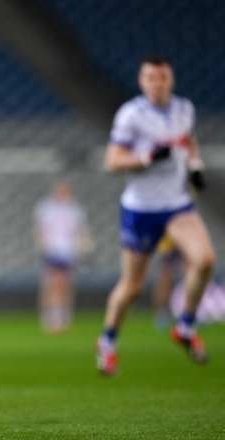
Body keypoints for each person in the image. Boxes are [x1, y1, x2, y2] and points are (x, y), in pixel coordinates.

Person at [95, 56, 215, 376]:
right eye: (150, 78)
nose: (156, 83)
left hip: (177, 205)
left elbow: (188, 141)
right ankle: (107, 342)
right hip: (142, 209)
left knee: (204, 261)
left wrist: (195, 166)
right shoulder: (131, 115)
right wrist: (145, 158)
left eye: (161, 78)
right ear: (141, 82)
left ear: (170, 81)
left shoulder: (183, 109)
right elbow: (112, 161)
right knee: (132, 286)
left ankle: (185, 327)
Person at [33, 181, 91, 334]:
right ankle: (52, 315)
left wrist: (84, 246)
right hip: (52, 250)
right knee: (52, 283)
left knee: (65, 284)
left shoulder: (75, 210)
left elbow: (81, 231)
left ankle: (64, 314)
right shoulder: (46, 208)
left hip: (68, 251)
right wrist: (42, 246)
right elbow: (39, 230)